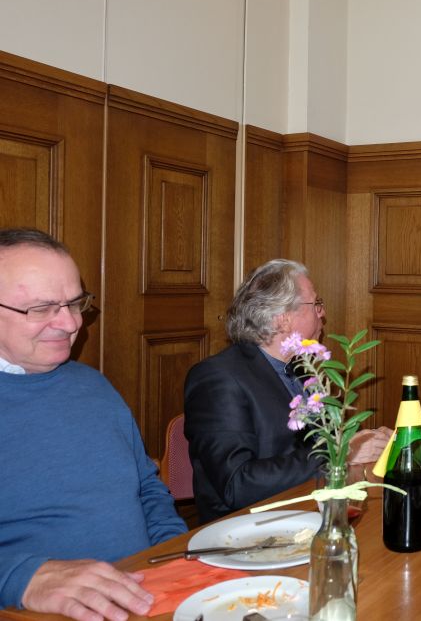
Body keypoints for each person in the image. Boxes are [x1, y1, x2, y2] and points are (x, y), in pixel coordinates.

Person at [0, 227, 186, 620]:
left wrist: (173, 556)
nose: (71, 324)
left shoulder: (93, 385)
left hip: (147, 596)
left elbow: (148, 489)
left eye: (74, 303)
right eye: (41, 308)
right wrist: (21, 578)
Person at [185, 259, 390, 523]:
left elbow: (325, 442)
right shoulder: (218, 379)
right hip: (249, 528)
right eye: (316, 304)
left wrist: (364, 442)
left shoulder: (302, 369)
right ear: (282, 319)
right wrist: (340, 455)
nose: (323, 313)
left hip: (310, 507)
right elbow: (238, 484)